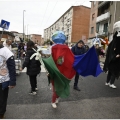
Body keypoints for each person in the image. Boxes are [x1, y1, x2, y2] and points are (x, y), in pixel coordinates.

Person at [0, 41, 16, 119]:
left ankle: (1, 113)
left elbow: (12, 67)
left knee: (2, 98)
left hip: (3, 80)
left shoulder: (6, 51)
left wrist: (12, 81)